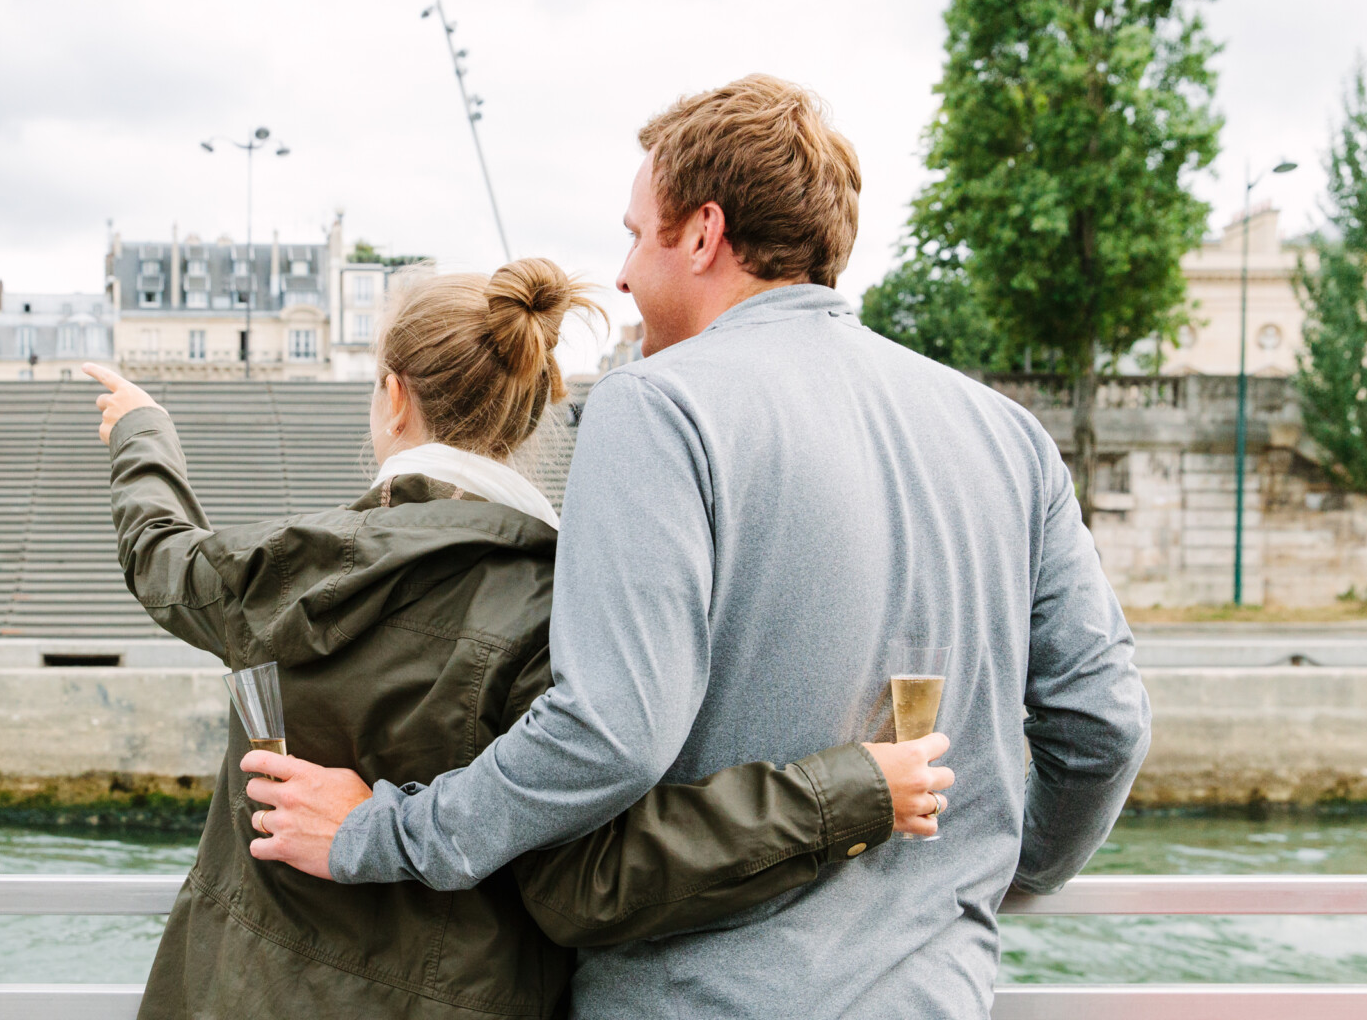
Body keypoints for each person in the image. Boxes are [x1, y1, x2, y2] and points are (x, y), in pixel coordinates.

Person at [247, 76, 1152, 1019]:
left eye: (638, 233)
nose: (627, 273)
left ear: (704, 234)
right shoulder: (1009, 438)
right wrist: (993, 879)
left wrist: (381, 833)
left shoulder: (659, 406)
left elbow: (610, 734)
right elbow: (1103, 725)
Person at [82, 256, 954, 1020]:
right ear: (531, 411)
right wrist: (847, 790)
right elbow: (588, 884)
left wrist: (142, 431)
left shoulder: (275, 571)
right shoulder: (569, 608)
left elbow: (157, 552)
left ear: (393, 395)